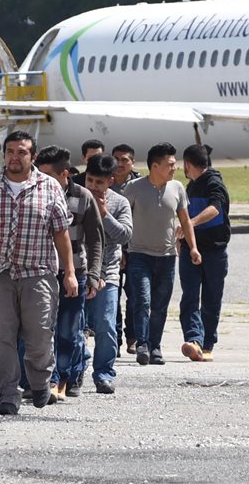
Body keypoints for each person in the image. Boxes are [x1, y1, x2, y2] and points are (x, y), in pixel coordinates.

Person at [0, 130, 76, 415]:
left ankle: (39, 382)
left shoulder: (50, 187)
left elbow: (61, 233)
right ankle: (7, 396)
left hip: (37, 273)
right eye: (10, 151)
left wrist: (70, 272)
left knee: (39, 336)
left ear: (32, 156)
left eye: (22, 151)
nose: (15, 157)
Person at [122, 142, 200, 367]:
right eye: (170, 165)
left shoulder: (177, 188)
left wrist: (193, 248)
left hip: (167, 257)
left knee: (160, 305)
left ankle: (155, 346)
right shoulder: (134, 188)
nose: (175, 168)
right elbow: (122, 220)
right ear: (155, 166)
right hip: (139, 255)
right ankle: (143, 345)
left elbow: (185, 221)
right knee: (142, 301)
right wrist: (121, 251)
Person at [35, 146, 102, 401]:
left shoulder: (83, 197)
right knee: (41, 329)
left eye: (47, 174)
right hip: (41, 271)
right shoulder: (36, 193)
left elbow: (96, 239)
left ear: (64, 174)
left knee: (69, 330)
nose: (41, 179)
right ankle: (49, 380)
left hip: (76, 273)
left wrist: (94, 274)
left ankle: (67, 376)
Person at [82, 154, 132, 393]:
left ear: (110, 181)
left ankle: (103, 373)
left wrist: (104, 214)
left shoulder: (119, 203)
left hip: (108, 273)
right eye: (89, 181)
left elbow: (125, 236)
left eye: (99, 183)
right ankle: (75, 369)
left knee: (105, 325)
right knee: (75, 326)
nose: (92, 187)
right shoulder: (75, 198)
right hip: (80, 271)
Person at [179, 144, 231, 363]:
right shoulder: (190, 186)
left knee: (211, 298)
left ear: (187, 164)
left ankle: (207, 344)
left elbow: (216, 208)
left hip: (214, 251)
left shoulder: (214, 183)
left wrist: (191, 223)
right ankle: (194, 340)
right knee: (189, 296)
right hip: (191, 250)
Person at [110, 143, 141, 354]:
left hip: (135, 247)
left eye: (125, 160)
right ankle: (116, 339)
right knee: (112, 296)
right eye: (116, 159)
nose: (120, 164)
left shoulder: (140, 185)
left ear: (132, 163)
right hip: (110, 248)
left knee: (135, 295)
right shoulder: (105, 183)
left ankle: (133, 337)